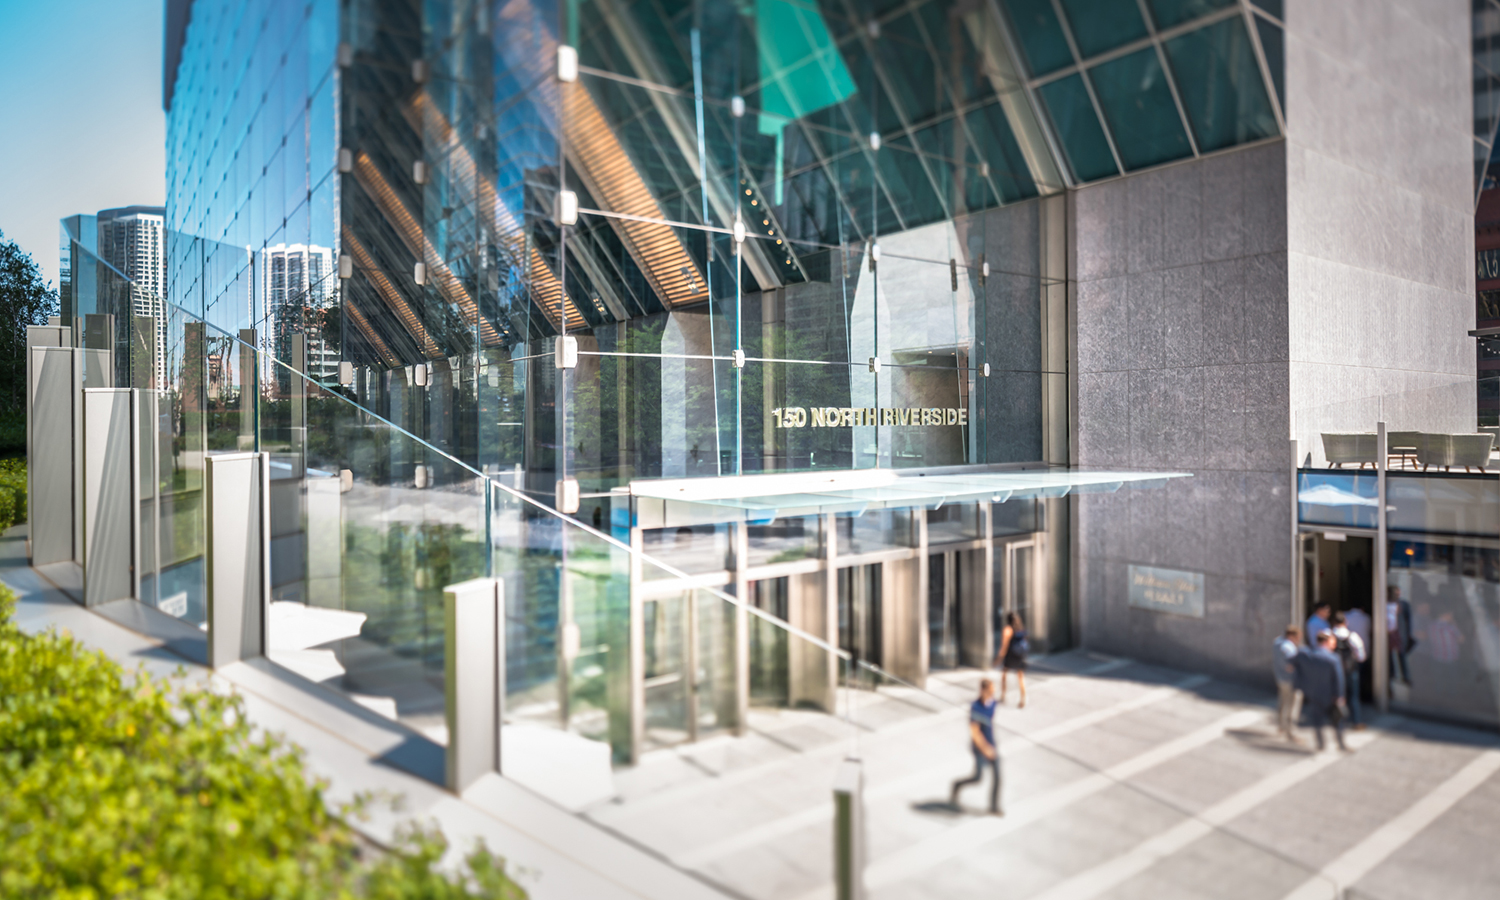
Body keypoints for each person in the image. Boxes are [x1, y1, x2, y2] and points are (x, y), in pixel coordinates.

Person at [950, 678, 1002, 815]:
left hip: (991, 744)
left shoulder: (993, 704)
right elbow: (974, 732)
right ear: (983, 690)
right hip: (979, 748)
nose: (993, 692)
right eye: (990, 690)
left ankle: (994, 807)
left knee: (998, 776)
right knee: (977, 778)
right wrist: (986, 749)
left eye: (993, 690)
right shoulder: (975, 707)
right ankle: (957, 785)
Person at [1293, 631, 1348, 751]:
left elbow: (1294, 660)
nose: (1334, 643)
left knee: (1317, 721)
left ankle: (1321, 745)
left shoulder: (1308, 655)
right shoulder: (1333, 658)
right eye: (1333, 641)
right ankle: (1341, 744)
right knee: (1337, 720)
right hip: (1331, 696)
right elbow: (1339, 679)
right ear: (1326, 642)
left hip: (1314, 694)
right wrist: (1340, 696)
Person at [1330, 612, 1367, 729]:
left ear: (1334, 622)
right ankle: (1356, 722)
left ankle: (1338, 721)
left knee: (1337, 696)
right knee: (1354, 697)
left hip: (1335, 671)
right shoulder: (1353, 636)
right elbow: (1361, 657)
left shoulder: (1328, 635)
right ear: (1346, 622)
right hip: (1351, 670)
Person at [1272, 626, 1303, 741]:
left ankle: (1281, 726)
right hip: (1290, 680)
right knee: (1293, 705)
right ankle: (1291, 731)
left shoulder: (1277, 642)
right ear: (1291, 636)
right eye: (1297, 637)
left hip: (1280, 678)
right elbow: (1291, 665)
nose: (1298, 640)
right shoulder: (1288, 647)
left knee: (1282, 702)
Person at [995, 612, 1029, 708]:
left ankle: (1003, 695)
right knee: (1021, 677)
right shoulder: (1021, 628)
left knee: (1004, 675)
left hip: (1011, 656)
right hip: (1020, 656)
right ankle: (1024, 698)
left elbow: (1004, 646)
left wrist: (999, 658)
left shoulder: (1007, 629)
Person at [1388, 586, 1415, 685]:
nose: (1396, 595)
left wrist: (1408, 633)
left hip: (1399, 632)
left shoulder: (1403, 605)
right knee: (1389, 654)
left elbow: (1408, 620)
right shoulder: (1386, 604)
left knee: (1402, 655)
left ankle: (1406, 676)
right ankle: (1392, 673)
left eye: (1397, 593)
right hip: (1389, 632)